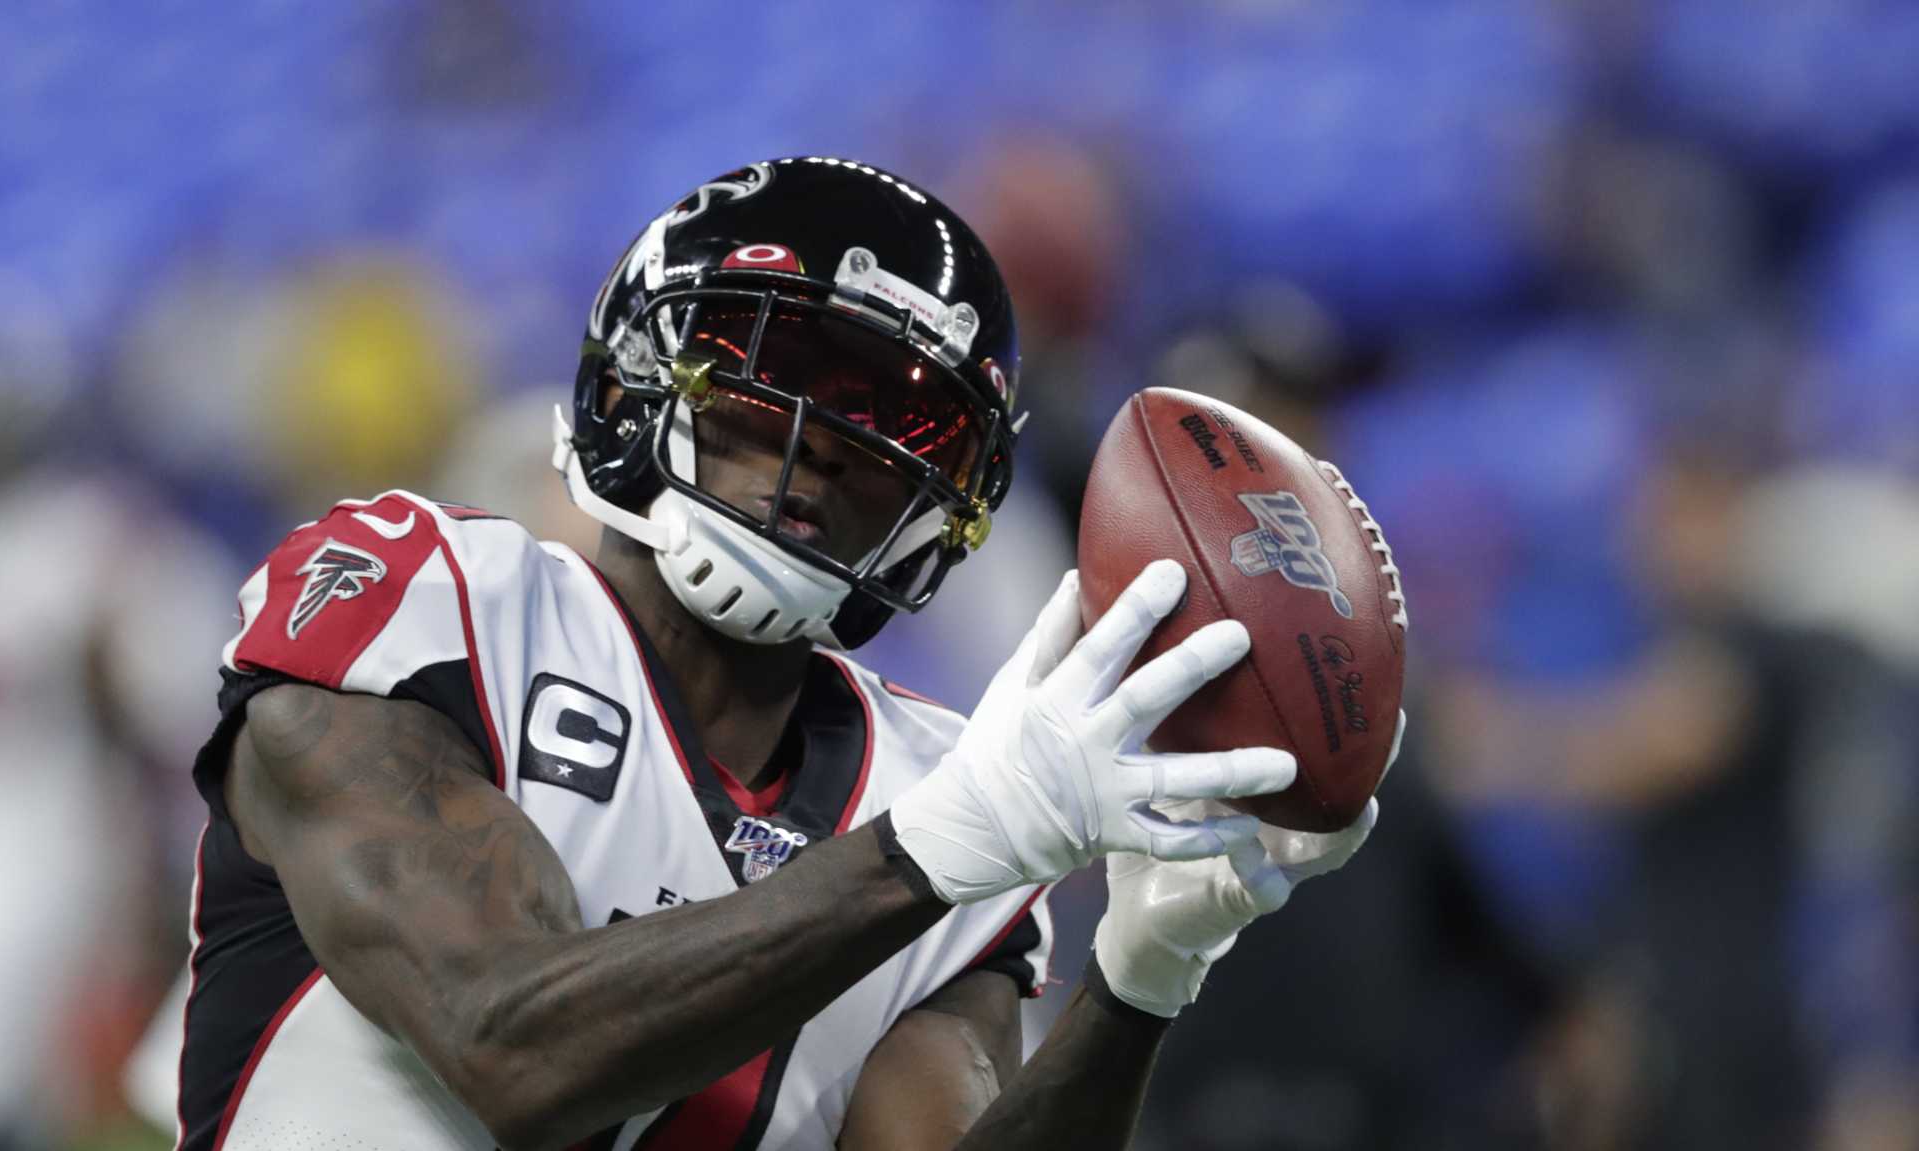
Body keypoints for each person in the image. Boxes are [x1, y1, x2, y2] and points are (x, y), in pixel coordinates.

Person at [175, 157, 1385, 1151]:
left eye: (895, 422)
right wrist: (931, 850)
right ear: (640, 375)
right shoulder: (430, 593)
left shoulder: (933, 776)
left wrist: (1137, 977)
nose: (825, 444)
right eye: (773, 378)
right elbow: (506, 1043)